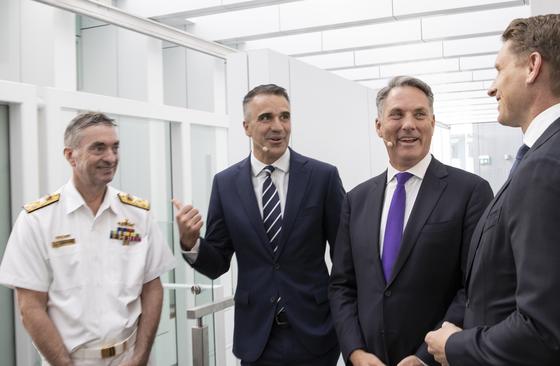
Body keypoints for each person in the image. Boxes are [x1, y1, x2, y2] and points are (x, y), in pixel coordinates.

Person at [425, 14, 560, 366]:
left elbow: (546, 333)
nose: (492, 87)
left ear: (533, 66)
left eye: (499, 69)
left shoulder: (551, 167)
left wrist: (455, 346)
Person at [174, 84, 344, 366]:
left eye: (285, 117)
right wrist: (192, 242)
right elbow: (217, 262)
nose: (278, 126)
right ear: (246, 126)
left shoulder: (322, 177)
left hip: (316, 332)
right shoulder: (226, 183)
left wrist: (344, 320)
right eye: (266, 117)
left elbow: (344, 257)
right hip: (257, 337)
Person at [328, 76, 493, 366]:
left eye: (419, 114)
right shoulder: (356, 200)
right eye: (397, 114)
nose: (409, 124)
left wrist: (424, 357)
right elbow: (342, 285)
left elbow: (476, 286)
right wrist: (355, 352)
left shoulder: (470, 192)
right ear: (379, 126)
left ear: (432, 122)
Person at [0, 112, 176, 365]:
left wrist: (140, 356)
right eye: (99, 148)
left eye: (115, 147)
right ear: (70, 155)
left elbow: (152, 289)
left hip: (130, 357)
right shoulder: (38, 220)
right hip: (70, 360)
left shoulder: (137, 214)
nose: (111, 157)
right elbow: (30, 307)